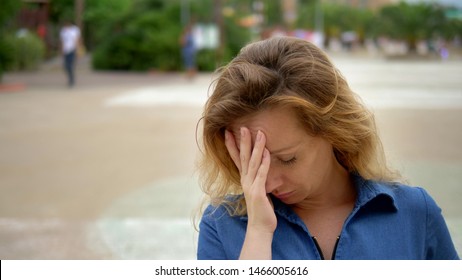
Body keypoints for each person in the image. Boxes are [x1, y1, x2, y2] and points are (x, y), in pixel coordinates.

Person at [196, 36, 459, 260]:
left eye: (287, 159)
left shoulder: (413, 213)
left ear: (333, 130)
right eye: (252, 161)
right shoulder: (222, 225)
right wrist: (258, 233)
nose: (268, 183)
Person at [60, 21, 81, 87]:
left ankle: (71, 80)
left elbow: (77, 40)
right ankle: (70, 78)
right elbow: (62, 41)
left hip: (72, 50)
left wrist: (77, 50)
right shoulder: (63, 31)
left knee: (70, 65)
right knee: (66, 66)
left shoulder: (74, 30)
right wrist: (62, 50)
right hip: (66, 50)